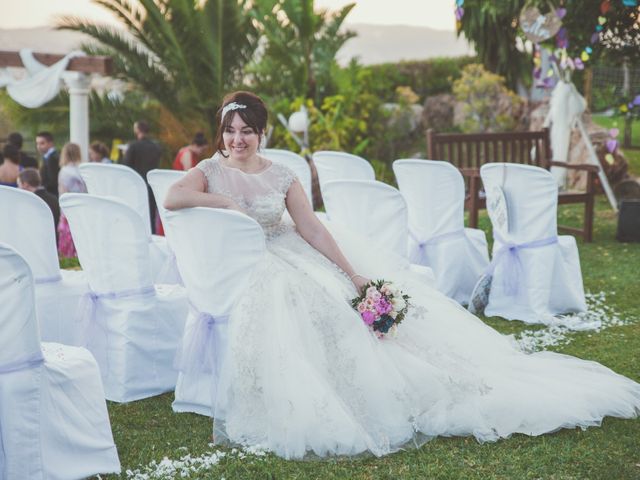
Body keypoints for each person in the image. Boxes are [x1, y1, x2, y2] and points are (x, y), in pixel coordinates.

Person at [164, 91, 640, 460]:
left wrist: (352, 275)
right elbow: (173, 198)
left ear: (262, 133)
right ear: (221, 133)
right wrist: (224, 201)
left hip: (287, 247)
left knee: (330, 294)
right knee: (294, 297)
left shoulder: (282, 175)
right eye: (230, 131)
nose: (237, 140)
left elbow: (310, 227)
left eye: (247, 130)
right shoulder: (209, 170)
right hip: (250, 264)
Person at [123, 120, 162, 233]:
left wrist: (125, 154)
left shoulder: (133, 146)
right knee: (151, 214)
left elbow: (126, 166)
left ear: (137, 130)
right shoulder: (156, 147)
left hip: (136, 185)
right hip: (151, 184)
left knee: (137, 213)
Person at [57, 142, 87, 257]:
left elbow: (63, 193)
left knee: (68, 240)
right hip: (83, 207)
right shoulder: (83, 170)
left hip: (69, 209)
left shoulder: (64, 171)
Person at [17, 168, 61, 237]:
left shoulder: (30, 202)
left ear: (25, 184)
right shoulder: (54, 199)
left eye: (18, 185)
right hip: (54, 242)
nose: (18, 188)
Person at [35, 131, 60, 197]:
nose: (39, 146)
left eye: (42, 143)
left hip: (52, 194)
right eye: (37, 143)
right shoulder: (47, 157)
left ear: (50, 143)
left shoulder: (53, 158)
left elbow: (53, 181)